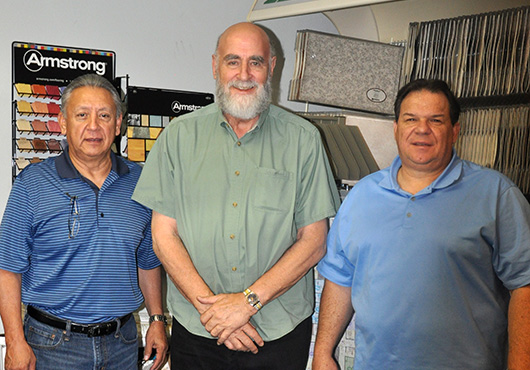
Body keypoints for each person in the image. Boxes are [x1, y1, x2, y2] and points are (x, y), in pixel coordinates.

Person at [132, 22, 340, 370]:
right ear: (215, 65)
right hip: (198, 330)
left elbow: (314, 241)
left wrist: (246, 304)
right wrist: (213, 312)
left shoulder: (304, 140)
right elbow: (163, 236)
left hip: (277, 331)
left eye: (255, 62)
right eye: (233, 61)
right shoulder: (177, 138)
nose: (244, 74)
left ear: (272, 66)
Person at [312, 79, 530, 370]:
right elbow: (340, 279)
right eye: (411, 119)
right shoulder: (362, 196)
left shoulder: (495, 194)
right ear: (396, 128)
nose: (422, 129)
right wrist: (323, 353)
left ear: (455, 131)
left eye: (435, 120)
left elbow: (524, 284)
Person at [0, 74, 168, 370]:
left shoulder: (141, 184)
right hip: (51, 345)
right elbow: (7, 269)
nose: (93, 126)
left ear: (117, 124)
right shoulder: (32, 185)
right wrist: (14, 341)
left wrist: (156, 319)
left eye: (104, 115)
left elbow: (148, 260)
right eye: (82, 115)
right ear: (63, 123)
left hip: (123, 343)